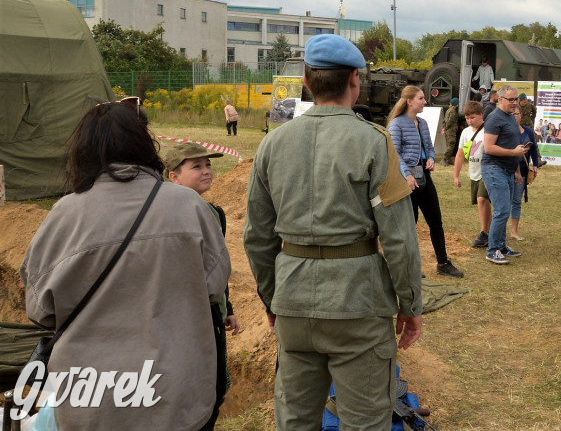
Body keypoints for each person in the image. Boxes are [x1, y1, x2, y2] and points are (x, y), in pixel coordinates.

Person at [244, 34, 423, 430]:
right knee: (364, 421)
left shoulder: (273, 144)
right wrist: (409, 305)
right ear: (355, 80)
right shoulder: (374, 143)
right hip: (358, 304)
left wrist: (273, 298)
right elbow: (399, 238)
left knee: (295, 421)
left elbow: (256, 237)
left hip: (292, 300)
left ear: (307, 81)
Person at [20, 100, 231, 430]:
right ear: (144, 143)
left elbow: (41, 309)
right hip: (175, 396)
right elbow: (214, 287)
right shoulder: (189, 207)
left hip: (91, 397)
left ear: (84, 151)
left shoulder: (64, 214)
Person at [164, 142, 241, 428]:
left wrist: (228, 307)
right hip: (183, 316)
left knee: (215, 386)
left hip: (212, 314)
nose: (206, 171)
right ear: (174, 177)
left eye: (208, 165)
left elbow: (217, 266)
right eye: (196, 166)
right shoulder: (166, 215)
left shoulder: (214, 213)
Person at [387, 85, 464, 278]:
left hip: (424, 177)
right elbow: (394, 154)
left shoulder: (422, 123)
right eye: (421, 98)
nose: (425, 101)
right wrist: (408, 176)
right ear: (409, 101)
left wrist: (430, 158)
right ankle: (410, 268)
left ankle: (443, 263)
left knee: (435, 221)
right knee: (409, 225)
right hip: (407, 181)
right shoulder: (397, 124)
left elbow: (429, 146)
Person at [481, 84, 530, 264]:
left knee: (505, 210)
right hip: (494, 169)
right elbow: (489, 147)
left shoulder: (510, 116)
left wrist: (517, 170)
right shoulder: (494, 118)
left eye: (516, 99)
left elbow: (512, 145)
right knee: (501, 210)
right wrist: (513, 154)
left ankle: (501, 246)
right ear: (500, 99)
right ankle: (492, 250)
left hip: (508, 169)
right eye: (511, 99)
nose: (515, 102)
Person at [452, 100, 492, 248]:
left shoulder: (488, 130)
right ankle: (490, 230)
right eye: (467, 118)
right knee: (482, 203)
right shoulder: (465, 132)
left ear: (481, 115)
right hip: (473, 172)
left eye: (473, 117)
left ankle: (484, 232)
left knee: (482, 199)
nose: (469, 121)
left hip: (487, 171)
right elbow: (460, 154)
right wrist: (456, 175)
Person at [510, 105, 541, 242]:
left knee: (516, 200)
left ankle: (514, 231)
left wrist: (535, 164)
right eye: (511, 114)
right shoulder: (505, 130)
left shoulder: (527, 131)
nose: (514, 116)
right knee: (503, 202)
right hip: (506, 170)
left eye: (516, 114)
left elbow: (533, 148)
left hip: (522, 170)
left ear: (521, 115)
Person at [442, 98, 460, 166]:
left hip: (447, 130)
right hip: (451, 131)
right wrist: (446, 128)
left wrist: (444, 128)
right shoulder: (453, 112)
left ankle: (448, 159)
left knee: (448, 145)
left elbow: (444, 121)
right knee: (451, 145)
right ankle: (444, 158)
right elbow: (450, 121)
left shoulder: (448, 110)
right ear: (456, 105)